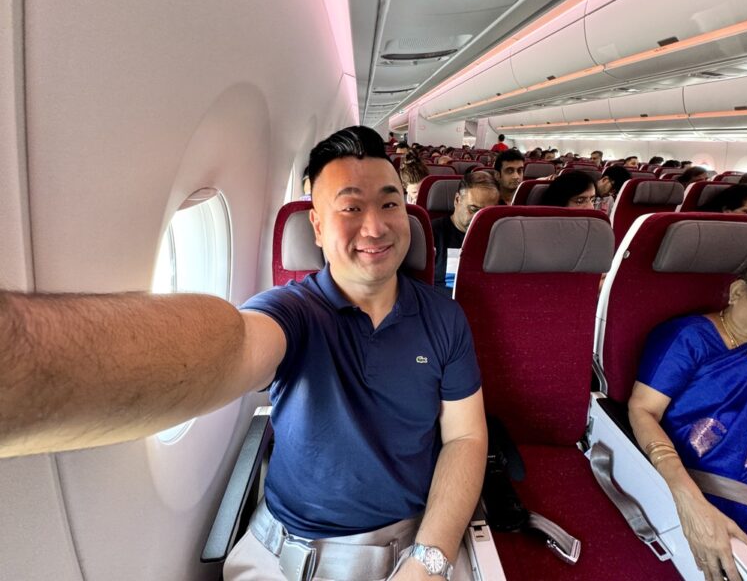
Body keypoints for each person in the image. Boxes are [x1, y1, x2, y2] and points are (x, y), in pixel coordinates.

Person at [0, 126, 488, 581]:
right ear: (316, 227)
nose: (376, 228)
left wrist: (428, 561)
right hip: (289, 553)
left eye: (389, 205)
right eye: (351, 208)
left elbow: (465, 438)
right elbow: (232, 348)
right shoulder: (292, 312)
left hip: (414, 547)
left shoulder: (443, 318)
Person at [629, 254, 747, 580]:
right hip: (727, 486)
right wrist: (687, 500)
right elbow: (643, 411)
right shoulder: (689, 338)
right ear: (738, 292)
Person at [431, 172, 499, 297]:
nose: (478, 219)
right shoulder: (431, 234)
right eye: (473, 209)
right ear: (457, 200)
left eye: (487, 213)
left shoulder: (498, 237)